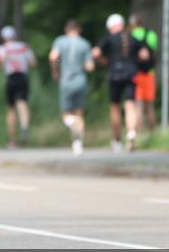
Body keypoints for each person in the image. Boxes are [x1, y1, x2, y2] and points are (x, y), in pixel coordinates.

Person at [92, 14, 150, 152]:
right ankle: (131, 134)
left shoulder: (108, 38)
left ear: (111, 26)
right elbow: (145, 54)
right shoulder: (133, 38)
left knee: (115, 107)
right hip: (131, 74)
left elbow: (95, 53)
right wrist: (135, 61)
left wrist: (103, 61)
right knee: (130, 105)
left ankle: (116, 140)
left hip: (114, 75)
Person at [49, 20, 95, 156]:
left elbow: (53, 57)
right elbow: (90, 67)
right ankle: (78, 144)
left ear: (66, 29)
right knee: (79, 112)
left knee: (66, 113)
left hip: (66, 80)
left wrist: (55, 69)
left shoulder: (61, 41)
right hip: (80, 80)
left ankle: (71, 123)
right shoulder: (85, 44)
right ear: (79, 30)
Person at [0, 25, 36, 148]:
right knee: (22, 103)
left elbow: (1, 62)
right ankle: (24, 126)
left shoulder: (2, 48)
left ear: (3, 37)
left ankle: (12, 140)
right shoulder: (24, 46)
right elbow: (33, 63)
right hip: (23, 77)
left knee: (11, 109)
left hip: (11, 78)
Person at [128, 14, 159, 131]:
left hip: (135, 73)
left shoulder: (130, 35)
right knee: (150, 106)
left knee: (138, 106)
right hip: (149, 73)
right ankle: (152, 134)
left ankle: (139, 134)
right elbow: (154, 50)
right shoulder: (151, 34)